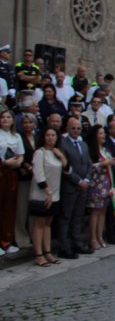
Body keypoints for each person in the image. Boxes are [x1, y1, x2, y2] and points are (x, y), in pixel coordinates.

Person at [29, 127, 67, 266]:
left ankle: (48, 252)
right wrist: (47, 192)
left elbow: (67, 169)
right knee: (39, 223)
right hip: (42, 194)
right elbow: (38, 174)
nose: (51, 138)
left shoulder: (57, 153)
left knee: (48, 223)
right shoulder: (40, 153)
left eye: (53, 135)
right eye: (48, 135)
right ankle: (38, 254)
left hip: (55, 193)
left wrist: (62, 157)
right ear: (43, 137)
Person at [57, 117, 93, 259]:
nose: (76, 131)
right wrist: (78, 181)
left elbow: (89, 163)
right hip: (70, 186)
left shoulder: (83, 144)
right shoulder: (63, 144)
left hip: (83, 186)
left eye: (78, 128)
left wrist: (87, 179)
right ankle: (64, 246)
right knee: (66, 217)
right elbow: (66, 167)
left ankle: (77, 243)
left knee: (78, 217)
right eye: (73, 128)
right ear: (67, 128)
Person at [86, 125, 115, 249]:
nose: (103, 135)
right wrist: (103, 163)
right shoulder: (92, 150)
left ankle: (100, 236)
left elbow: (110, 163)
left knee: (103, 211)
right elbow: (91, 166)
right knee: (95, 212)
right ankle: (93, 237)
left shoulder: (105, 149)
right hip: (96, 184)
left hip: (107, 183)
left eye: (104, 133)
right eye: (100, 133)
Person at [0, 109, 24, 256]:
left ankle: (7, 240)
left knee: (9, 207)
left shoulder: (16, 136)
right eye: (3, 117)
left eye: (8, 117)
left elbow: (20, 155)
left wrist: (18, 162)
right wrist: (4, 162)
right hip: (1, 171)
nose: (5, 119)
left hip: (12, 173)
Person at [15, 112, 37, 249]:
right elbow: (18, 155)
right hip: (24, 176)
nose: (27, 125)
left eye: (30, 122)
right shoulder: (19, 138)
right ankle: (21, 237)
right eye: (25, 123)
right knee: (22, 208)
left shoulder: (38, 137)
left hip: (37, 177)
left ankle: (34, 235)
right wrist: (27, 166)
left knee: (33, 209)